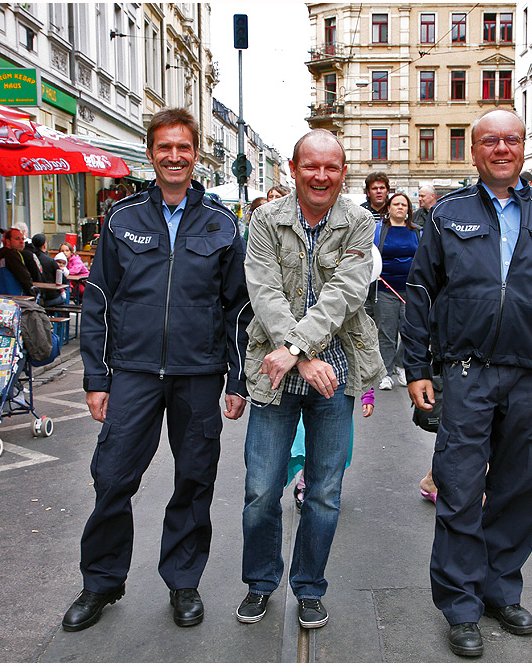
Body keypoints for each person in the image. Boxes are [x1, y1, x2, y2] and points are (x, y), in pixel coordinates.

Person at [402, 109, 532, 657]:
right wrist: (417, 367)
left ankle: (499, 589)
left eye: (512, 139)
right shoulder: (446, 214)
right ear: (475, 151)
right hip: (466, 374)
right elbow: (420, 292)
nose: (502, 149)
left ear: (523, 148)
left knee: (519, 489)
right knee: (460, 489)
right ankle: (461, 604)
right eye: (491, 140)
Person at [63, 107, 251, 633]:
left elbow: (237, 307)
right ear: (150, 154)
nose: (174, 156)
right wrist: (96, 379)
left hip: (199, 373)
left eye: (183, 148)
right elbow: (98, 300)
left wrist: (237, 380)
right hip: (135, 373)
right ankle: (101, 583)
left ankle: (183, 581)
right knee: (113, 477)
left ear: (196, 155)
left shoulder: (220, 222)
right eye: (164, 147)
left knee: (194, 479)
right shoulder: (122, 220)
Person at [238, 129, 385, 630]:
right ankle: (261, 582)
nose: (321, 176)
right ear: (294, 169)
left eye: (331, 167)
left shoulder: (360, 222)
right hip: (276, 376)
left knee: (324, 493)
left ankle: (308, 587)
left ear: (343, 172)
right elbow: (264, 292)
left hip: (335, 376)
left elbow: (345, 294)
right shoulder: (264, 219)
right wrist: (299, 357)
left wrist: (296, 349)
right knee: (261, 489)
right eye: (310, 166)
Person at [371, 191, 419, 390]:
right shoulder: (378, 230)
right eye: (396, 204)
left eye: (404, 205)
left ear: (408, 210)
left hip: (411, 290)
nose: (400, 207)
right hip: (385, 289)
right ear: (388, 208)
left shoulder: (418, 231)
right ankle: (385, 373)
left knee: (411, 331)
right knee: (387, 333)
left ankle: (400, 365)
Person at [0, 229, 40, 296]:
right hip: (14, 298)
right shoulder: (11, 255)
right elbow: (24, 278)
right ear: (8, 242)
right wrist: (32, 293)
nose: (21, 242)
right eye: (17, 239)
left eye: (22, 239)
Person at [30, 233, 65, 306]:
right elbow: (62, 279)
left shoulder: (29, 257)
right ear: (44, 245)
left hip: (33, 296)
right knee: (64, 298)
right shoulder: (50, 260)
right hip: (50, 297)